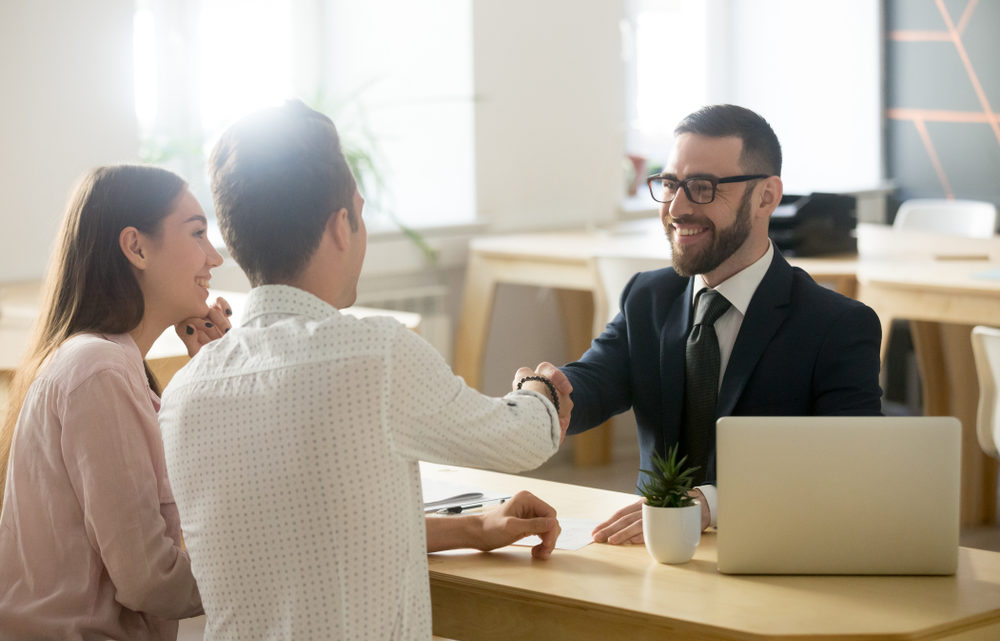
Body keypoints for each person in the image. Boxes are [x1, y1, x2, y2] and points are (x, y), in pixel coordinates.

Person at [157, 99, 573, 641]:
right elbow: (524, 440)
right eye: (360, 211)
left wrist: (475, 526)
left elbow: (310, 532)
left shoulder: (184, 393)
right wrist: (538, 388)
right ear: (339, 226)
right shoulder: (375, 354)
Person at [553, 104, 882, 545]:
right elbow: (593, 382)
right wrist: (545, 391)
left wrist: (710, 505)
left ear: (766, 196)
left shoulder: (838, 327)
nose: (677, 208)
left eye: (703, 188)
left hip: (775, 556)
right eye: (670, 184)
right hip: (652, 555)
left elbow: (850, 468)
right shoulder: (648, 297)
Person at [0, 165, 233, 640]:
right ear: (136, 247)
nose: (214, 257)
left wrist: (213, 379)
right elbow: (150, 580)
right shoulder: (99, 371)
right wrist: (270, 574)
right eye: (197, 233)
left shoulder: (108, 365)